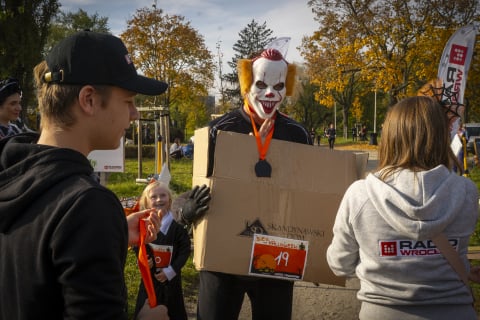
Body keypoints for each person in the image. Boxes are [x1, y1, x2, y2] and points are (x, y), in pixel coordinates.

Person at [0, 30, 171, 319]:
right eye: (128, 100)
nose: (135, 114)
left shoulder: (14, 174)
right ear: (89, 99)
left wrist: (109, 233)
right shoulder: (86, 206)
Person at [326, 96, 479, 320]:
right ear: (441, 137)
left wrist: (377, 258)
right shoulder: (466, 192)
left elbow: (340, 265)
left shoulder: (360, 195)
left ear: (390, 136)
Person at [198, 48, 312, 320]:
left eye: (278, 86)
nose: (270, 94)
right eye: (261, 84)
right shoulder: (221, 130)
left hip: (277, 250)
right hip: (223, 253)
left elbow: (308, 191)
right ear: (247, 83)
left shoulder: (297, 133)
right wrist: (185, 207)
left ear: (288, 86)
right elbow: (200, 183)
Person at [133, 181, 191, 320]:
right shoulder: (143, 224)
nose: (159, 200)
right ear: (146, 203)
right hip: (149, 281)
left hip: (171, 283)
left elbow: (185, 250)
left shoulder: (177, 226)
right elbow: (138, 245)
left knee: (173, 312)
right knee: (146, 309)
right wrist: (144, 259)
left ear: (169, 200)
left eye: (163, 195)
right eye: (154, 197)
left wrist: (170, 271)